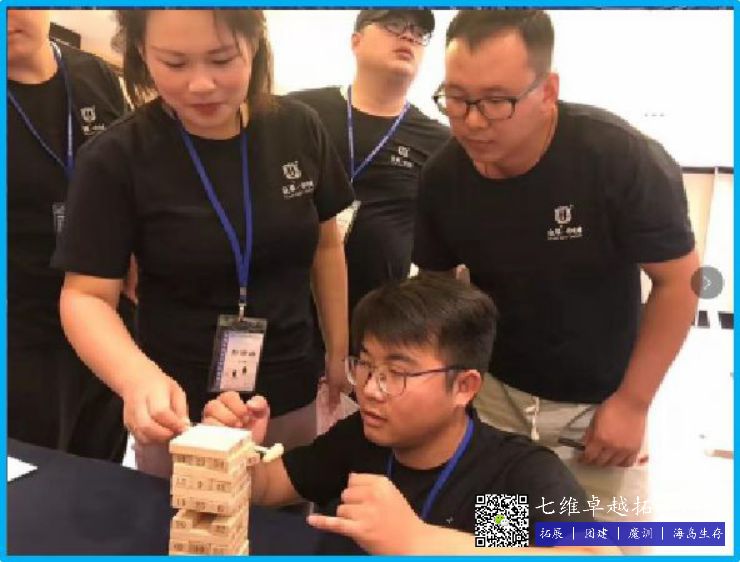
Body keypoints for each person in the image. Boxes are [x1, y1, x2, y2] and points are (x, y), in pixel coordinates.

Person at [414, 8, 699, 521]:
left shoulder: (618, 158)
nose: (472, 121)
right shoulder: (443, 177)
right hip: (496, 400)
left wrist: (633, 403)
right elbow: (436, 292)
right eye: (456, 98)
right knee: (503, 541)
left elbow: (679, 282)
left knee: (603, 543)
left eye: (496, 101)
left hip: (600, 405)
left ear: (547, 91)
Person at [52, 9, 354, 452]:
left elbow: (326, 247)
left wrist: (338, 351)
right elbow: (85, 296)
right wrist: (137, 378)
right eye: (174, 63)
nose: (201, 84)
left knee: (287, 491)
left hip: (291, 385)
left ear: (254, 44)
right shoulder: (116, 156)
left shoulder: (299, 128)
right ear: (142, 52)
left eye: (222, 59)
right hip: (178, 405)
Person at [203, 275, 617, 555]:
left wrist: (417, 540)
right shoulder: (361, 441)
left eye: (397, 374)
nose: (370, 389)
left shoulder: (508, 477)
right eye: (366, 365)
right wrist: (233, 448)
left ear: (464, 386)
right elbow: (267, 488)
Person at [8, 8, 135, 461]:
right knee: (31, 470)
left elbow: (131, 181)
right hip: (23, 329)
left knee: (99, 465)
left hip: (105, 315)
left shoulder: (94, 74)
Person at [289, 9, 449, 317]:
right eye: (394, 24)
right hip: (288, 303)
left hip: (378, 318)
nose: (408, 36)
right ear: (356, 41)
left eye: (419, 33)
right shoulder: (300, 112)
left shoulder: (439, 141)